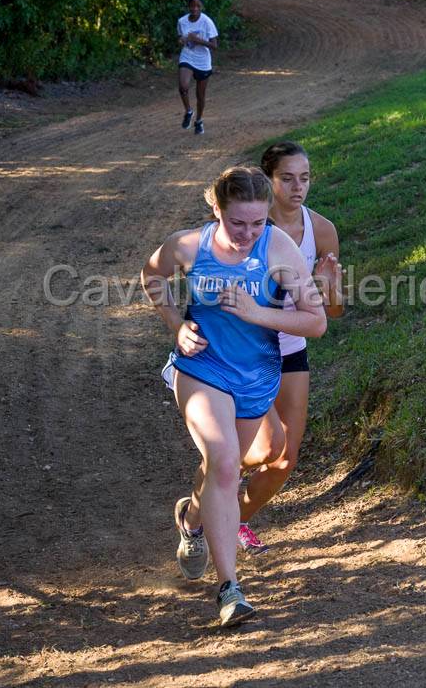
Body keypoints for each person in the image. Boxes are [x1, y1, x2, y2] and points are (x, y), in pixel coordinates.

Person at [141, 166, 326, 627]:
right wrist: (175, 324)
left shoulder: (277, 248)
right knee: (224, 460)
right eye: (236, 222)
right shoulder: (189, 245)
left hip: (256, 375)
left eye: (257, 223)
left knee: (238, 461)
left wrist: (258, 311)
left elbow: (316, 321)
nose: (247, 234)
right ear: (216, 210)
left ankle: (193, 518)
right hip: (201, 367)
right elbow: (152, 274)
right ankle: (230, 591)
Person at [237, 142, 344, 556]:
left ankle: (237, 518)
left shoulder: (322, 230)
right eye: (287, 178)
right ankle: (209, 500)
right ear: (268, 180)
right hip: (244, 351)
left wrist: (326, 285)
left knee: (285, 460)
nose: (298, 187)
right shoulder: (248, 228)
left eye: (305, 177)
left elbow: (331, 312)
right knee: (252, 449)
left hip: (292, 348)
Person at [176, 0, 218, 135]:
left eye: (198, 6)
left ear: (201, 7)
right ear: (188, 6)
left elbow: (214, 46)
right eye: (192, 5)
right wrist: (181, 40)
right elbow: (180, 38)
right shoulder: (182, 21)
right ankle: (188, 111)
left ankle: (199, 121)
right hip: (188, 56)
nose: (195, 8)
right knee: (183, 86)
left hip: (203, 61)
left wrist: (198, 40)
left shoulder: (207, 22)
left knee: (200, 96)